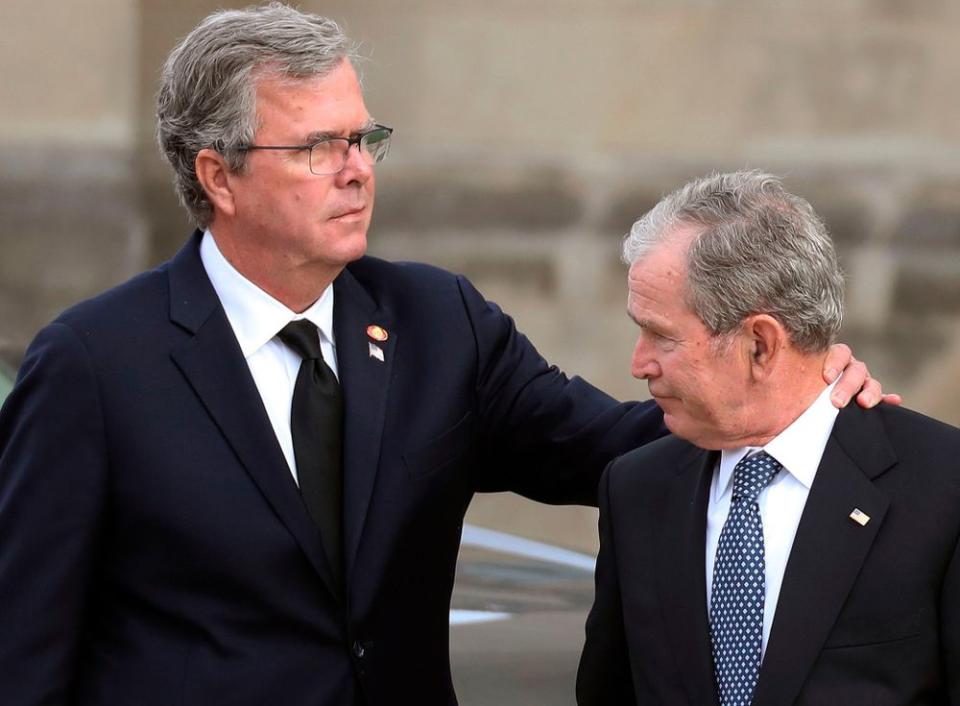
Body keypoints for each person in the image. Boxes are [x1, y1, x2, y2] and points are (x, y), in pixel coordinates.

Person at [0, 6, 882, 705]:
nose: (358, 170)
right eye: (319, 147)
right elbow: (25, 649)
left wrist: (790, 391)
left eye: (363, 138)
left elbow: (623, 445)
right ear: (218, 175)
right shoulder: (92, 365)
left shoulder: (436, 320)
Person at [577, 170, 959, 706]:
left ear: (760, 344)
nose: (639, 364)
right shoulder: (637, 488)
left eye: (662, 337)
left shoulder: (943, 487)